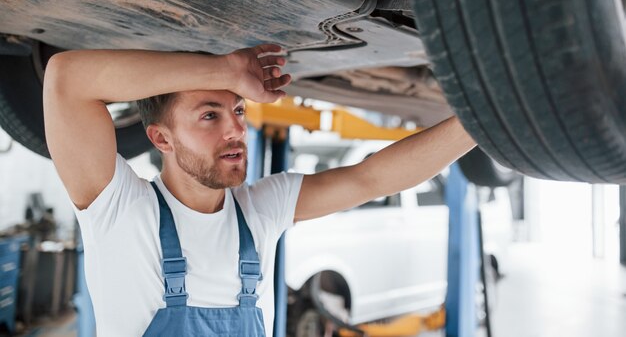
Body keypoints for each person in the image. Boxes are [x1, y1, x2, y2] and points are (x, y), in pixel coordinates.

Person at [42, 44, 476, 336]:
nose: (236, 129)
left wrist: (487, 121)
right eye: (210, 116)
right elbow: (65, 78)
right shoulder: (119, 210)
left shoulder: (260, 212)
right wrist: (226, 69)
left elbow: (373, 178)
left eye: (237, 110)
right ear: (161, 139)